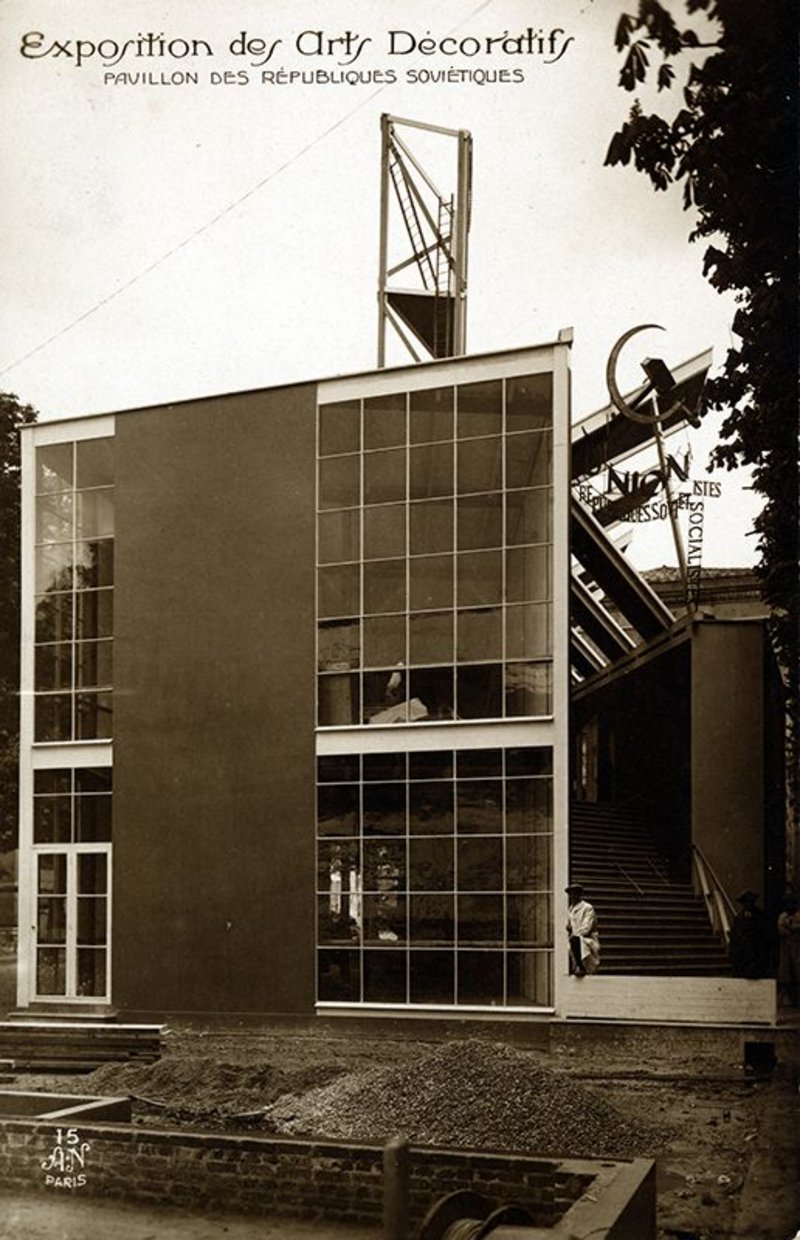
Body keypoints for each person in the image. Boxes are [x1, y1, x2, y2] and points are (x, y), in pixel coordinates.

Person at [729, 890, 769, 978]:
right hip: (743, 956)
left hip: (756, 955)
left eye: (750, 902)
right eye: (745, 902)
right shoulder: (739, 919)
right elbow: (735, 937)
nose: (748, 905)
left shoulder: (760, 916)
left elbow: (764, 936)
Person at [566, 884, 600, 977]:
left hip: (587, 940)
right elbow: (569, 925)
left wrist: (574, 935)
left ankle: (580, 967)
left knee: (576, 942)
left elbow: (586, 928)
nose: (573, 896)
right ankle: (575, 968)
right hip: (575, 940)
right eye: (571, 894)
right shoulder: (570, 909)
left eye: (575, 894)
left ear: (579, 895)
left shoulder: (587, 908)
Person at [777, 892, 800, 1007]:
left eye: (791, 902)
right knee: (786, 974)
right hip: (786, 949)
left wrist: (791, 926)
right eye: (787, 903)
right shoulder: (782, 916)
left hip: (797, 949)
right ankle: (788, 999)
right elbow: (781, 929)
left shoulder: (798, 915)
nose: (789, 905)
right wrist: (791, 929)